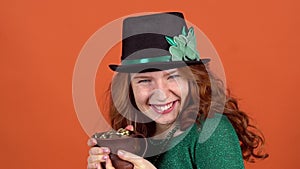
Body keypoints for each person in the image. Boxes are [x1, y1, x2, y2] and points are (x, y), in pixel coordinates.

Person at [87, 12, 268, 169]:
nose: (161, 93)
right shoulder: (137, 136)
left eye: (173, 76)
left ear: (193, 80)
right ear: (128, 89)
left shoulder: (211, 132)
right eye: (144, 80)